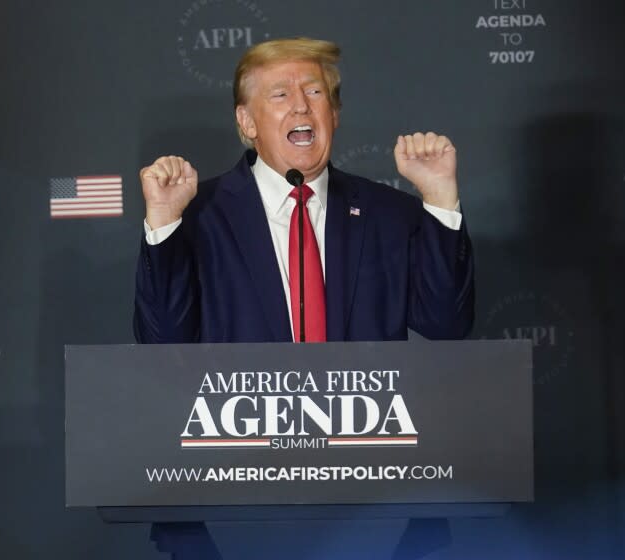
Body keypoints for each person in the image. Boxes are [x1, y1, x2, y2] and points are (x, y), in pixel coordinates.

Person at [133, 37, 474, 559]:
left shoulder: (390, 213)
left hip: (374, 512)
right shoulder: (195, 215)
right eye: (279, 94)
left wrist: (440, 198)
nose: (301, 105)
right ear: (246, 122)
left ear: (334, 114)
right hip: (230, 512)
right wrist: (163, 223)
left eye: (315, 91)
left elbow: (447, 324)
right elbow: (161, 339)